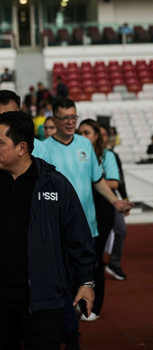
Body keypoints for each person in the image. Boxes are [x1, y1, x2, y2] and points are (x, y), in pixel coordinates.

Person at [0, 111, 96, 350]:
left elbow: (78, 238)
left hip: (46, 300)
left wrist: (86, 282)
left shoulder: (56, 185)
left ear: (22, 147)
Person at [43, 99, 133, 349]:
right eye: (65, 118)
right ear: (54, 120)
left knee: (85, 277)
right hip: (57, 230)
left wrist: (115, 202)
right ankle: (68, 334)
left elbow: (97, 179)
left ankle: (72, 329)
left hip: (88, 227)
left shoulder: (85, 144)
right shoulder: (42, 149)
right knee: (60, 282)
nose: (71, 122)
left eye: (74, 117)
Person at [78, 119, 120, 322]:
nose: (83, 136)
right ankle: (81, 300)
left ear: (96, 135)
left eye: (87, 132)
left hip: (102, 209)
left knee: (94, 259)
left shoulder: (108, 155)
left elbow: (113, 181)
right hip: (82, 208)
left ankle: (95, 306)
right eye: (81, 132)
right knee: (76, 258)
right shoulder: (77, 154)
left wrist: (94, 179)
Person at [104, 125, 129, 281]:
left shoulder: (112, 155)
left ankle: (114, 263)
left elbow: (120, 180)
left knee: (121, 230)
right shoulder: (85, 154)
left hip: (112, 199)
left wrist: (125, 198)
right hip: (90, 200)